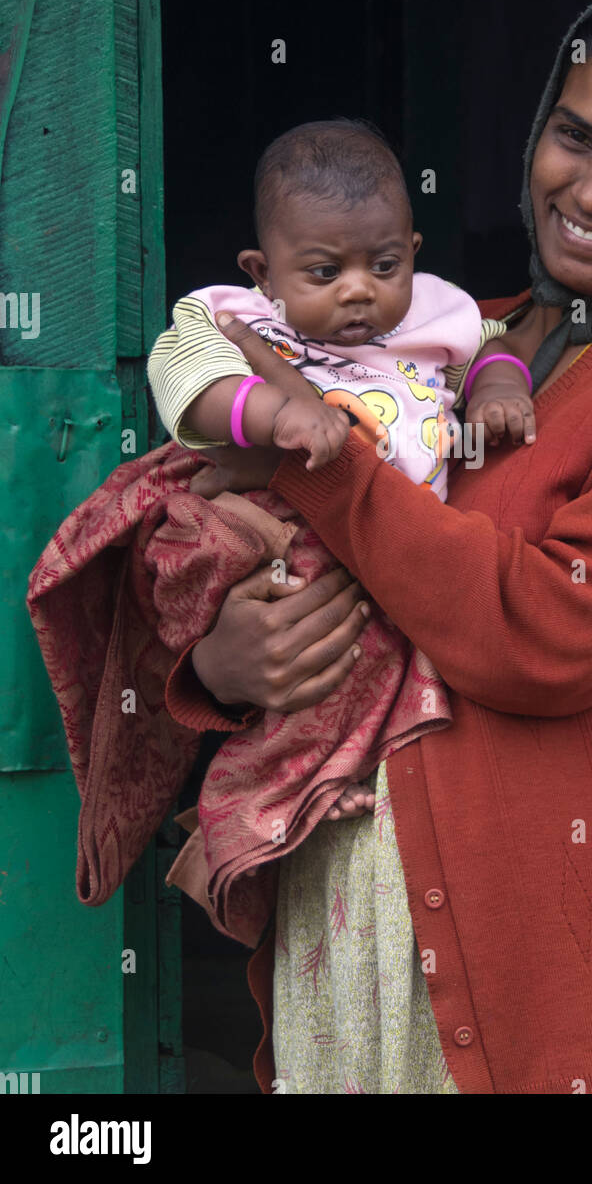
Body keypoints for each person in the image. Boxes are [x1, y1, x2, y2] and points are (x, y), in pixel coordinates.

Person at [165, 0, 592, 1094]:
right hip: (356, 941)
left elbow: (549, 631)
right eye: (575, 138)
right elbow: (272, 559)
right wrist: (223, 661)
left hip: (573, 999)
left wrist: (317, 451)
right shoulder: (455, 344)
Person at [148, 118, 536, 819]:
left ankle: (320, 783)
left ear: (412, 252)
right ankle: (266, 796)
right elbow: (186, 376)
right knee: (264, 614)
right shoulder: (239, 316)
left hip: (388, 543)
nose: (358, 291)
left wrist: (500, 387)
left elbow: (490, 345)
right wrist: (274, 416)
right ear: (262, 272)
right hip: (277, 526)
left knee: (374, 663)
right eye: (324, 272)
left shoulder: (435, 310)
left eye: (383, 266)